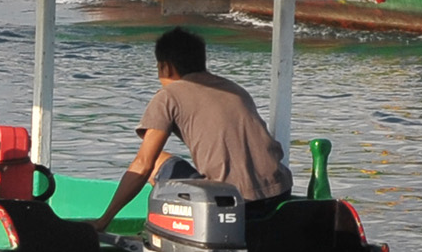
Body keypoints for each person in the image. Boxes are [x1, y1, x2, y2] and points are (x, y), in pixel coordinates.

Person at [95, 27, 289, 222]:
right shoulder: (235, 89)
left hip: (230, 203)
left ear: (166, 67)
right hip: (279, 193)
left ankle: (163, 229)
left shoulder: (168, 96)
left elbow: (143, 165)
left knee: (157, 161)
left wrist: (104, 220)